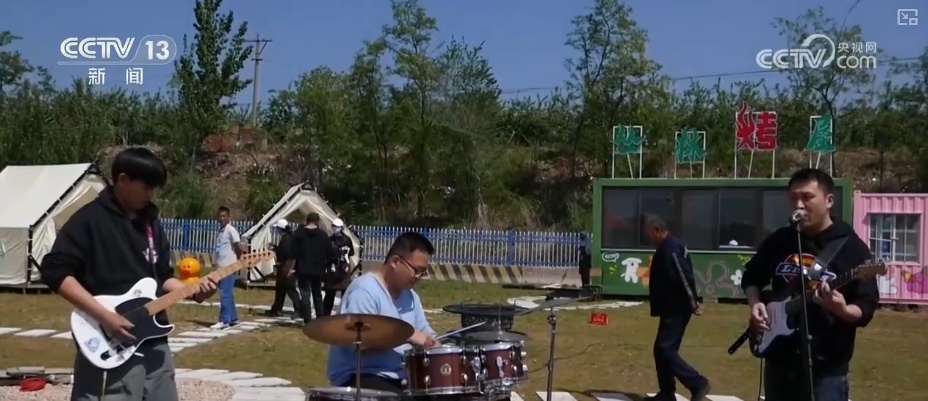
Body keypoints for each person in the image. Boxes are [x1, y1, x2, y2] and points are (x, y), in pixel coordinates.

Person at [38, 147, 217, 401]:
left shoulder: (151, 222)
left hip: (154, 337)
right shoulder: (89, 220)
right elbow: (55, 271)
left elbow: (162, 276)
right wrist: (105, 316)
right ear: (123, 179)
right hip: (109, 338)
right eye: (145, 187)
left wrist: (194, 292)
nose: (150, 194)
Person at [741, 168, 878, 401]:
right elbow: (752, 277)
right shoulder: (780, 240)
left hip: (826, 369)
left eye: (807, 197)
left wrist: (841, 309)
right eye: (793, 198)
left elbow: (865, 307)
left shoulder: (852, 248)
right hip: (779, 363)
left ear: (829, 200)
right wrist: (755, 304)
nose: (799, 205)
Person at [326, 231, 439, 392]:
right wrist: (408, 335)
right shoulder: (364, 291)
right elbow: (362, 342)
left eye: (423, 272)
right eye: (416, 270)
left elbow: (425, 333)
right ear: (395, 262)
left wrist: (443, 349)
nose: (418, 276)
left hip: (401, 377)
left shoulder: (411, 296)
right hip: (361, 376)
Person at [642, 215, 710, 401]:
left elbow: (684, 277)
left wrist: (693, 302)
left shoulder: (671, 249)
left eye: (649, 234)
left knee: (665, 349)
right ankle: (667, 392)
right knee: (662, 350)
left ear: (657, 230)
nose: (647, 238)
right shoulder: (668, 247)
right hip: (670, 307)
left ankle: (698, 383)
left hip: (677, 308)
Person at [287, 212, 335, 323]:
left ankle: (307, 320)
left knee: (305, 294)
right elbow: (330, 253)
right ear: (317, 221)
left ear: (307, 220)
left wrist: (291, 268)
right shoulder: (323, 235)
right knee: (317, 294)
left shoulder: (299, 234)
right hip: (318, 269)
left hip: (303, 269)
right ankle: (320, 319)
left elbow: (294, 253)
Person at [211, 206, 246, 330]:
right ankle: (234, 319)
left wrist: (238, 261)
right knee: (228, 294)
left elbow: (238, 246)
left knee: (224, 293)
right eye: (220, 216)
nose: (222, 218)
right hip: (220, 267)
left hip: (228, 267)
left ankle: (224, 321)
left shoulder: (231, 230)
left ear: (228, 217)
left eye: (224, 216)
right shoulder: (221, 231)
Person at [266, 219, 302, 318]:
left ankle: (299, 309)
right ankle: (276, 309)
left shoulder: (286, 239)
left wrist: (275, 249)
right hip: (286, 266)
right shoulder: (289, 237)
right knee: (280, 289)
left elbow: (285, 253)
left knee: (290, 289)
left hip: (287, 267)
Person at [323, 218, 355, 316]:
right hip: (332, 268)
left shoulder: (347, 240)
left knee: (344, 293)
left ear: (341, 228)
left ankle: (344, 313)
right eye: (333, 226)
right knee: (329, 293)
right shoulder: (330, 240)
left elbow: (351, 252)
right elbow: (326, 253)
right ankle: (326, 315)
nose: (334, 228)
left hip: (343, 268)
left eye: (336, 227)